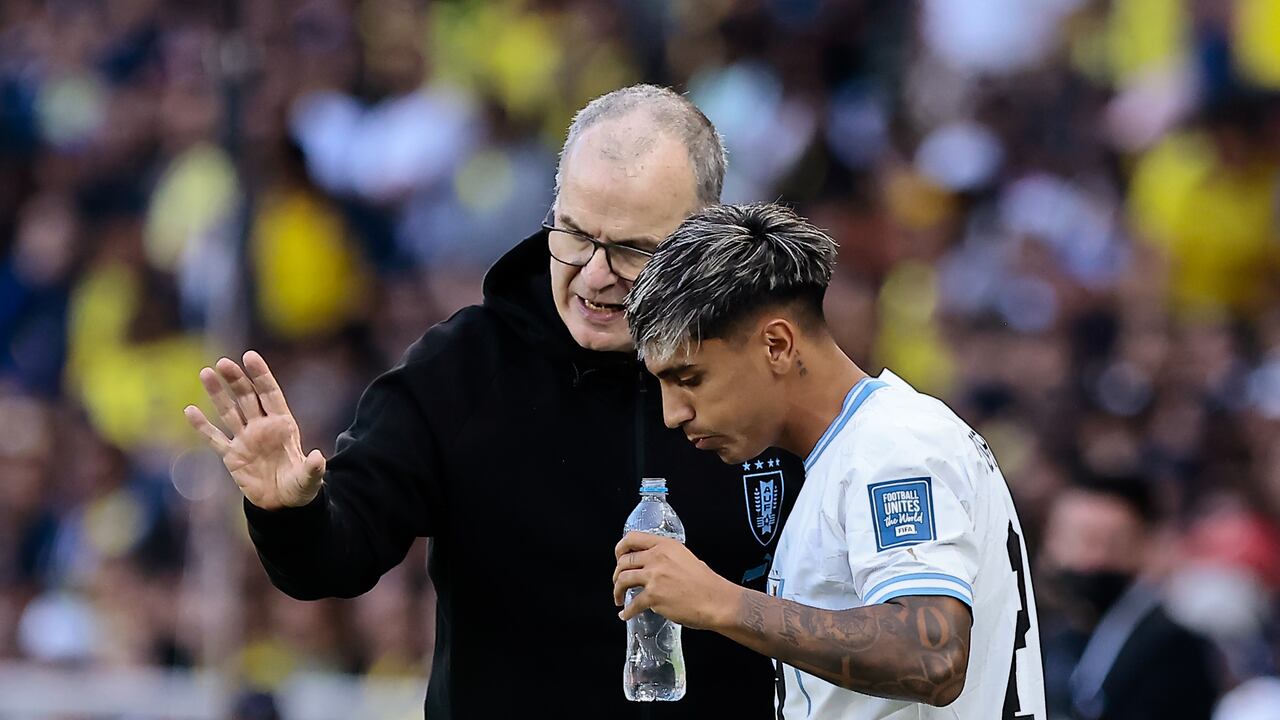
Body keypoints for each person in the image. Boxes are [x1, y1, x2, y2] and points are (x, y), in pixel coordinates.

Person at [183, 86, 804, 718]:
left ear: (706, 236)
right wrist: (293, 511)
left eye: (632, 249)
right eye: (574, 234)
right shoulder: (460, 371)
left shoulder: (770, 374)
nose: (594, 273)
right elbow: (333, 561)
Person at [614, 202, 1047, 718]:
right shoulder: (847, 451)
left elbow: (933, 655)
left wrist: (721, 603)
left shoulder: (893, 444)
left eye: (689, 378)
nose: (672, 414)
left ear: (776, 344)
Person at [1038, 473, 1220, 719]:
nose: (1091, 560)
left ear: (1145, 545)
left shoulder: (1173, 650)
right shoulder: (1042, 639)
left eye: (1110, 543)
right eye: (1078, 540)